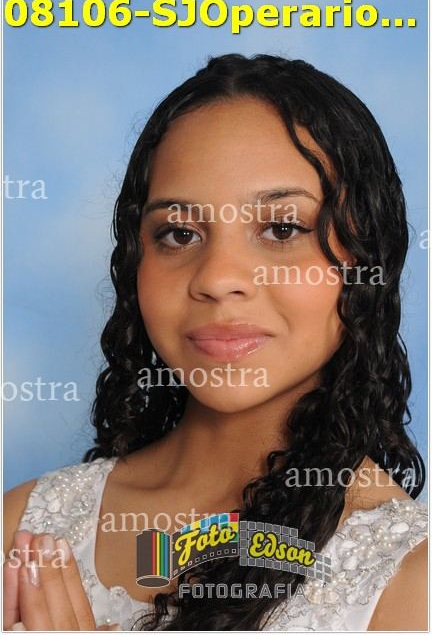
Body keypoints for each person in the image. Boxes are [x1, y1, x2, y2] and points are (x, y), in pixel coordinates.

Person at [3, 53, 428, 631]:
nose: (217, 278)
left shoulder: (409, 577)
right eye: (180, 233)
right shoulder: (22, 528)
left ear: (367, 259)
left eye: (282, 228)